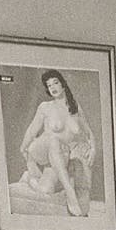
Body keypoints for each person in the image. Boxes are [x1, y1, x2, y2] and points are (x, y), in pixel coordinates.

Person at [16, 69, 95, 217]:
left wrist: (93, 149)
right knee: (54, 140)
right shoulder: (45, 107)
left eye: (55, 83)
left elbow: (88, 132)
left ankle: (29, 178)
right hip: (41, 149)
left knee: (46, 189)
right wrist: (23, 148)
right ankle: (70, 194)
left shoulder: (75, 107)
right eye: (49, 85)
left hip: (60, 155)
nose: (52, 87)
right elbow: (32, 130)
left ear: (63, 85)